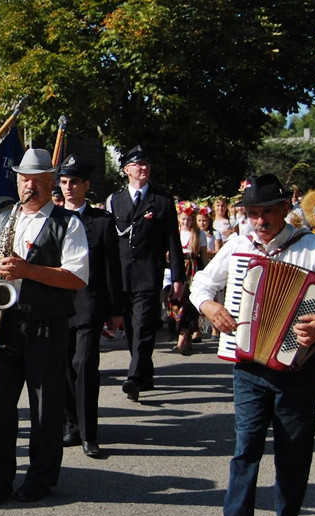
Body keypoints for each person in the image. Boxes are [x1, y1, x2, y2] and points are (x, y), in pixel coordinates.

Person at [190, 174, 315, 516]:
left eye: (268, 212)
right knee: (245, 449)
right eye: (253, 212)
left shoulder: (311, 247)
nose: (259, 221)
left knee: (293, 451)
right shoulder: (238, 245)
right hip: (248, 365)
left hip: (298, 366)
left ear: (284, 211)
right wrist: (210, 308)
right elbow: (201, 284)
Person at [0, 149, 89, 505]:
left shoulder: (68, 223)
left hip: (45, 326)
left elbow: (76, 277)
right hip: (4, 323)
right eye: (25, 179)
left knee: (44, 406)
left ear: (51, 183)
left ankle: (39, 478)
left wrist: (28, 271)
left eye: (39, 181)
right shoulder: (5, 219)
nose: (31, 187)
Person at [106, 145, 185, 401]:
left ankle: (134, 378)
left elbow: (174, 241)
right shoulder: (114, 200)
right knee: (130, 327)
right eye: (138, 164)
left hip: (149, 275)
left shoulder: (161, 201)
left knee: (142, 327)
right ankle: (144, 371)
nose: (144, 168)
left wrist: (178, 277)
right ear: (126, 170)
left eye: (146, 163)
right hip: (122, 275)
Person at [58, 155, 120, 459]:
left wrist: (116, 310)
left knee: (84, 365)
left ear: (86, 185)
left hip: (90, 305)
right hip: (59, 305)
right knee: (63, 366)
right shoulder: (51, 220)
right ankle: (73, 424)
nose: (69, 187)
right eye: (64, 182)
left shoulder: (101, 221)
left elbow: (112, 269)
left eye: (74, 182)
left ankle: (89, 434)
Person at [172, 203, 207, 355]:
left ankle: (183, 337)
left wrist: (205, 275)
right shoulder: (175, 233)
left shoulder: (199, 234)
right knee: (175, 303)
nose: (186, 223)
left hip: (194, 268)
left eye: (189, 220)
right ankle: (186, 334)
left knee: (189, 302)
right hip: (178, 267)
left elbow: (204, 257)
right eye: (183, 219)